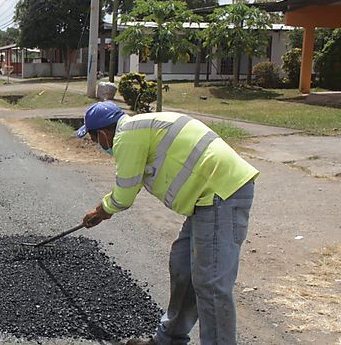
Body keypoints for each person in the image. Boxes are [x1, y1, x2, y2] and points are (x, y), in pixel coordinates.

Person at [77, 101, 259, 345]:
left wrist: (101, 211)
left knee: (211, 283)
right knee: (183, 265)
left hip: (221, 194)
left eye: (93, 140)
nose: (98, 146)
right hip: (205, 199)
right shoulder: (138, 130)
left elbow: (125, 192)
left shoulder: (126, 137)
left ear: (102, 134)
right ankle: (169, 339)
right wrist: (105, 210)